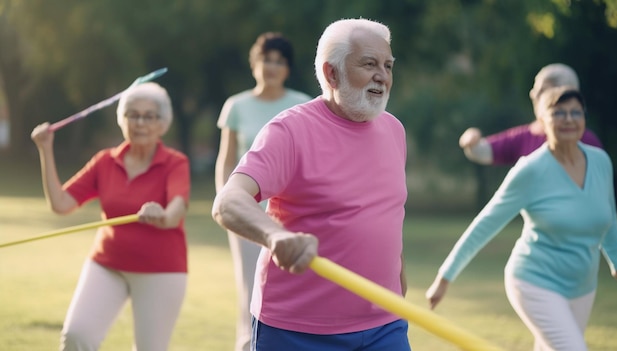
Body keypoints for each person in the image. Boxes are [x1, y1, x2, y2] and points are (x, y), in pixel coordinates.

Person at [212, 18, 411, 351]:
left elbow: (387, 214)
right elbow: (228, 201)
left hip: (384, 324)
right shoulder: (290, 131)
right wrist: (276, 236)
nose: (383, 76)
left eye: (388, 66)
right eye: (369, 64)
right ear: (331, 73)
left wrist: (399, 289)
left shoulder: (394, 130)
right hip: (296, 331)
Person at [426, 86, 617, 351]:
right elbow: (485, 223)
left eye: (575, 112)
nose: (568, 119)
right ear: (542, 122)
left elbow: (608, 215)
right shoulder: (531, 170)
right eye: (558, 113)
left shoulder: (600, 161)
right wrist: (444, 277)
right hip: (534, 282)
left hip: (582, 287)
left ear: (584, 119)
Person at [31, 82, 190, 351]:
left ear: (162, 124)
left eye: (148, 116)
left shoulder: (175, 163)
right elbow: (60, 204)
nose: (140, 123)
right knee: (77, 336)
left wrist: (161, 214)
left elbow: (176, 212)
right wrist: (45, 149)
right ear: (122, 120)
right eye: (132, 115)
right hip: (107, 265)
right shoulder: (104, 161)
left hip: (160, 270)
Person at [214, 31, 311, 351]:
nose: (272, 66)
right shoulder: (236, 106)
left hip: (292, 212)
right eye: (266, 59)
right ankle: (247, 342)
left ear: (288, 68)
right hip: (248, 212)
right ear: (254, 63)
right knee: (249, 284)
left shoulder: (302, 105)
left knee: (293, 282)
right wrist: (228, 204)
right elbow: (226, 161)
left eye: (280, 61)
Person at [459, 63, 603, 166]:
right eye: (535, 90)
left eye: (543, 90)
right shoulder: (525, 144)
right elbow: (484, 151)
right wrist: (473, 141)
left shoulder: (590, 144)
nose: (534, 95)